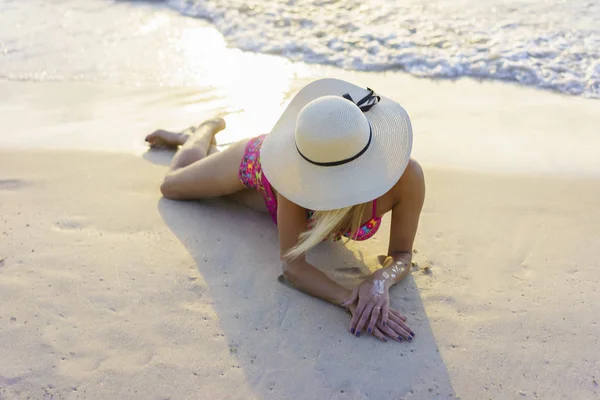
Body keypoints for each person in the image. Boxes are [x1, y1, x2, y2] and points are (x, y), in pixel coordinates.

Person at [146, 79, 425, 343]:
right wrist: (349, 298)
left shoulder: (406, 177)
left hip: (279, 204)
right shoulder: (294, 177)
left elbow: (401, 255)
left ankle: (211, 154)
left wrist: (380, 280)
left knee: (232, 199)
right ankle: (202, 131)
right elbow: (293, 265)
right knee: (171, 186)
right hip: (260, 167)